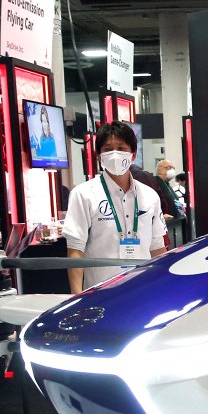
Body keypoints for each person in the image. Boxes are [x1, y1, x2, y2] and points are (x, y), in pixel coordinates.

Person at [63, 121, 167, 293]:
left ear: (133, 155)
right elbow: (75, 250)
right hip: (101, 293)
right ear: (99, 156)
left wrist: (163, 288)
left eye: (121, 148)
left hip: (144, 289)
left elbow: (157, 247)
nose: (114, 154)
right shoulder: (84, 194)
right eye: (107, 149)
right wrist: (76, 297)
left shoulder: (149, 196)